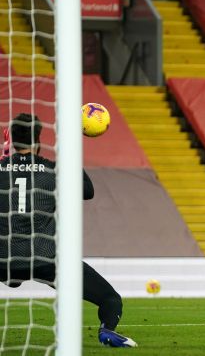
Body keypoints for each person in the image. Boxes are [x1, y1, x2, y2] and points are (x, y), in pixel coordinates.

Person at [0, 113, 137, 348]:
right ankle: (107, 331)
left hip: (3, 259)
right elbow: (88, 191)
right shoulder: (53, 170)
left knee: (10, 274)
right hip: (45, 259)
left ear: (11, 139)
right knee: (110, 299)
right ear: (38, 140)